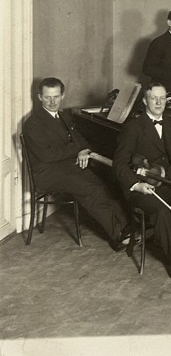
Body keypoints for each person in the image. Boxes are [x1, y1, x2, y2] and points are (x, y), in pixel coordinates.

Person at [22, 77, 130, 251]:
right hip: (46, 173)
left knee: (100, 183)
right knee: (90, 188)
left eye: (56, 96)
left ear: (62, 95)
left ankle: (125, 229)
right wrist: (76, 149)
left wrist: (84, 149)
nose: (52, 101)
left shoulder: (63, 116)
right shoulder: (33, 124)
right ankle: (120, 233)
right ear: (39, 97)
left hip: (67, 167)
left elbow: (80, 139)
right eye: (47, 97)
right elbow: (47, 155)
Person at [113, 83, 171, 282]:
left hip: (170, 182)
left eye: (162, 98)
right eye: (153, 98)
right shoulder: (133, 127)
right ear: (145, 101)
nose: (158, 102)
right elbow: (119, 164)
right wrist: (136, 185)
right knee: (162, 212)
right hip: (143, 187)